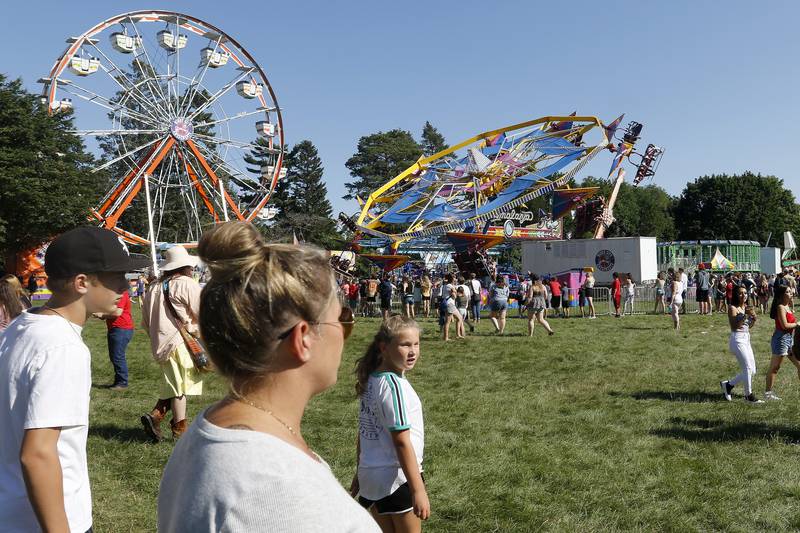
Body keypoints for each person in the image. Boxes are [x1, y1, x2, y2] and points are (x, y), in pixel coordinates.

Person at [157, 222, 377, 532]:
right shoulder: (281, 493)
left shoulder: (208, 433)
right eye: (342, 318)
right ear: (303, 339)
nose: (345, 331)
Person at [0, 227, 147, 533]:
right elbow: (38, 453)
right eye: (117, 277)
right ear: (82, 282)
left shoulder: (19, 329)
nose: (126, 288)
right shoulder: (64, 348)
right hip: (47, 520)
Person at [352, 316, 429, 531]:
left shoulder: (372, 379)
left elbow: (366, 431)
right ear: (384, 348)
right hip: (395, 480)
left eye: (416, 344)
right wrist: (418, 490)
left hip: (371, 478)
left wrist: (360, 472)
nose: (412, 351)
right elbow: (402, 441)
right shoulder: (394, 386)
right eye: (405, 345)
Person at [140, 245, 205, 442]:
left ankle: (156, 416)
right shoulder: (186, 283)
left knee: (175, 382)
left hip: (161, 341)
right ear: (185, 266)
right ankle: (180, 431)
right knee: (180, 387)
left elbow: (145, 321)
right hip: (181, 341)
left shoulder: (154, 287)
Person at [720, 285, 763, 404]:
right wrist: (745, 315)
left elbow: (748, 326)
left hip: (746, 338)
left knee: (752, 370)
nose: (744, 295)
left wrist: (753, 317)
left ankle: (728, 385)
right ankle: (748, 396)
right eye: (740, 293)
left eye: (745, 293)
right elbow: (735, 326)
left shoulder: (746, 307)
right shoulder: (732, 308)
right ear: (735, 295)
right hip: (737, 340)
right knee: (748, 368)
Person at [764, 285, 800, 401]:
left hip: (789, 339)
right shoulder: (781, 307)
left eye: (791, 291)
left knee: (799, 364)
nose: (791, 293)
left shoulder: (787, 306)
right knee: (775, 367)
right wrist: (797, 324)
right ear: (782, 295)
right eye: (788, 292)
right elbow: (784, 325)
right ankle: (768, 393)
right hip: (781, 340)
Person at [96, 286, 134, 390]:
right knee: (115, 356)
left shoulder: (122, 293)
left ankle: (122, 382)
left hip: (121, 328)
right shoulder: (117, 294)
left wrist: (102, 315)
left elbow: (117, 312)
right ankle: (119, 381)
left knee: (117, 356)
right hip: (117, 328)